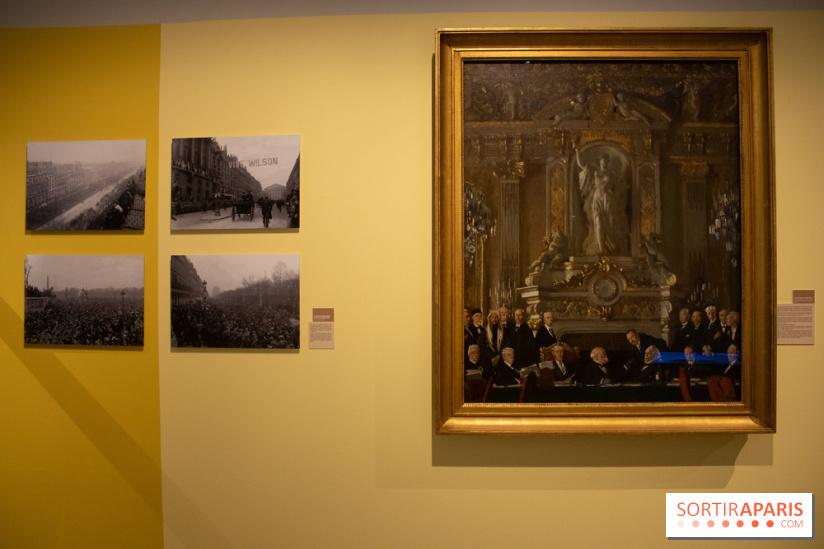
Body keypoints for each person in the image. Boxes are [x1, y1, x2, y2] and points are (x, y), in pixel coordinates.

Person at [574, 147, 630, 256]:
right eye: (602, 160)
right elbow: (580, 164)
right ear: (600, 161)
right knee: (598, 222)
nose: (604, 162)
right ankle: (601, 250)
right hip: (597, 200)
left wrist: (617, 194)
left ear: (607, 162)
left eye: (606, 160)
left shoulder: (612, 174)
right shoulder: (594, 172)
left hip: (608, 200)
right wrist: (577, 151)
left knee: (610, 223)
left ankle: (610, 246)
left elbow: (619, 188)